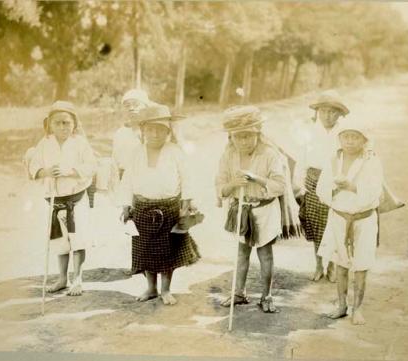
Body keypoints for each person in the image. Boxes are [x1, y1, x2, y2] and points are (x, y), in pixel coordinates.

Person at [120, 103, 200, 306]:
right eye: (150, 129)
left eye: (160, 129)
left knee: (167, 252)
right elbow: (127, 180)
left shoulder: (175, 152)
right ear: (143, 131)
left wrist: (186, 203)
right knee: (146, 250)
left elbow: (187, 178)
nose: (155, 134)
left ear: (168, 131)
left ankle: (165, 289)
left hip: (169, 208)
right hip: (142, 208)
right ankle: (151, 288)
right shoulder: (136, 153)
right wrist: (125, 205)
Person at [216, 105, 287, 313]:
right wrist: (233, 184)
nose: (243, 141)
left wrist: (256, 178)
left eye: (248, 136)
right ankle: (239, 292)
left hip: (264, 210)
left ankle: (266, 296)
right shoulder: (228, 155)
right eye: (238, 137)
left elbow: (280, 186)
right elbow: (220, 187)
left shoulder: (269, 154)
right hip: (240, 208)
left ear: (258, 133)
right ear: (231, 137)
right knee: (241, 252)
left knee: (265, 253)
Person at [316, 118, 383, 325]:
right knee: (341, 264)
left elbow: (375, 193)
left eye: (355, 137)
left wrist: (352, 186)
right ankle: (342, 305)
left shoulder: (371, 161)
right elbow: (321, 190)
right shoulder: (333, 160)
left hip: (363, 220)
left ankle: (358, 308)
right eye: (346, 137)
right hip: (339, 218)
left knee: (361, 265)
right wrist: (335, 187)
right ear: (340, 139)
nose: (350, 141)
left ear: (364, 140)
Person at [28, 100, 97, 296]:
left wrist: (71, 171)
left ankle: (77, 278)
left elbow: (91, 166)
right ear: (49, 124)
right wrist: (46, 171)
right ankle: (62, 278)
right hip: (55, 202)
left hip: (76, 199)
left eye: (66, 122)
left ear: (74, 123)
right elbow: (34, 168)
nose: (62, 127)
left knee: (78, 240)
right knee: (61, 242)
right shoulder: (44, 144)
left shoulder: (80, 143)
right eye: (57, 123)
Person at [293, 90, 349, 282]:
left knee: (334, 225)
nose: (327, 115)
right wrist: (298, 186)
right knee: (316, 225)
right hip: (313, 180)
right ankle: (318, 265)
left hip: (335, 181)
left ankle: (332, 265)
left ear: (340, 114)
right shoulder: (309, 131)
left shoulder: (344, 133)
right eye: (324, 111)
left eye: (333, 112)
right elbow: (301, 160)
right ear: (317, 112)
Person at [112, 89, 156, 179]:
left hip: (146, 177)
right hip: (123, 177)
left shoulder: (153, 131)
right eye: (127, 106)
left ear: (146, 107)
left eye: (136, 104)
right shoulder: (120, 133)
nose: (131, 108)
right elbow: (115, 161)